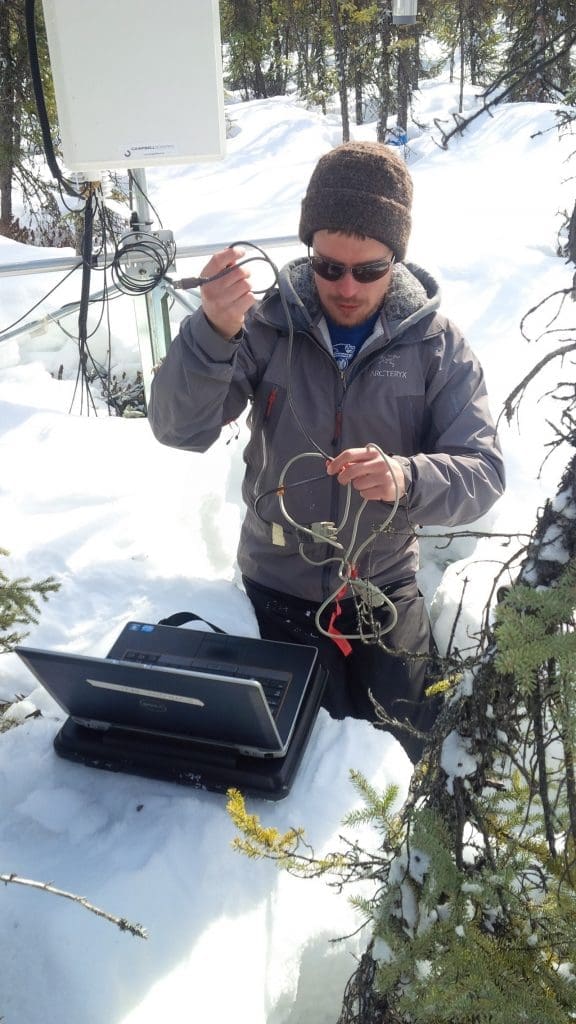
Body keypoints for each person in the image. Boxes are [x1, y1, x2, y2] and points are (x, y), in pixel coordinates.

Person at [148, 141, 505, 763]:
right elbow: (181, 429)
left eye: (367, 269)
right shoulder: (263, 327)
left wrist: (406, 476)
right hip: (274, 591)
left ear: (396, 258)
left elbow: (485, 471)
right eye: (328, 266)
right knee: (288, 767)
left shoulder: (436, 346)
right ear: (309, 251)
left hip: (384, 594)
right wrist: (211, 334)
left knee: (408, 762)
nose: (345, 285)